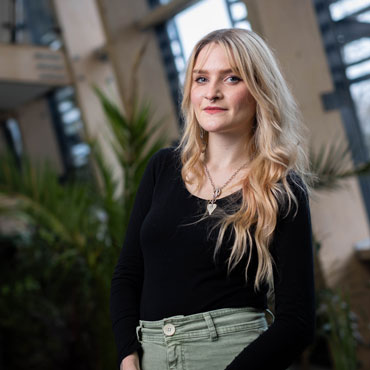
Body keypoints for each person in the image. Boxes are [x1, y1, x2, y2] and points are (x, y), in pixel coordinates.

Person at [110, 28, 315, 370]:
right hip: (151, 356)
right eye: (201, 79)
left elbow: (297, 321)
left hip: (234, 356)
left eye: (232, 78)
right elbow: (127, 274)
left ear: (260, 90)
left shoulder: (282, 188)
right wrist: (127, 355)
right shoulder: (163, 167)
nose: (212, 93)